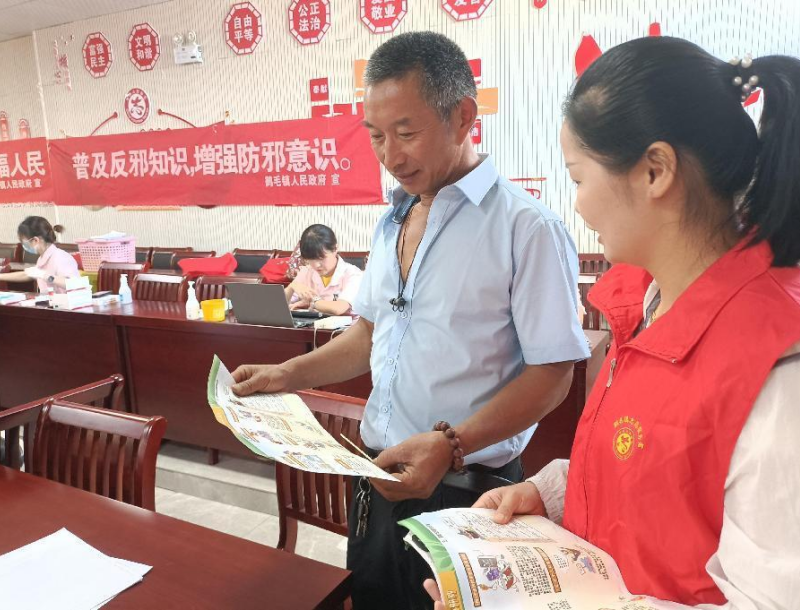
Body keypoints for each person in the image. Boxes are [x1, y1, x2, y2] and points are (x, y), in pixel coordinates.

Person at [425, 36, 800, 609]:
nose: (577, 204)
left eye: (578, 178)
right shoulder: (650, 305)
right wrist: (551, 492)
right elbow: (654, 468)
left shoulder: (778, 370)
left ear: (655, 171)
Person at [232, 32, 589, 608]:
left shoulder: (526, 228)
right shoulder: (391, 222)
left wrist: (452, 445)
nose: (390, 156)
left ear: (463, 116)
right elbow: (369, 333)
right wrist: (286, 374)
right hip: (378, 475)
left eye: (406, 132)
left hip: (470, 491)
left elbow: (554, 373)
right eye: (376, 135)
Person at [284, 224, 363, 316]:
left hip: (346, 325)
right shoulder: (307, 271)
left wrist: (312, 302)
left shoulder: (353, 274)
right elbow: (278, 305)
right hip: (313, 324)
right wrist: (292, 287)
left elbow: (339, 308)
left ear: (335, 249)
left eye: (321, 258)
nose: (317, 265)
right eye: (311, 259)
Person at [0, 217, 79, 293]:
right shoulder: (42, 258)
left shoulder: (61, 257)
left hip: (65, 301)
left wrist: (44, 275)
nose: (23, 245)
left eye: (24, 242)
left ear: (35, 240)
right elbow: (28, 275)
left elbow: (73, 284)